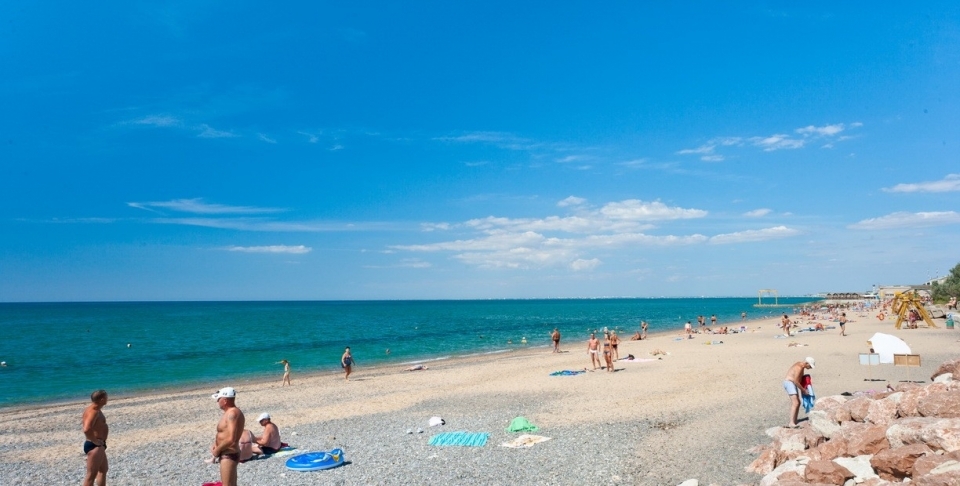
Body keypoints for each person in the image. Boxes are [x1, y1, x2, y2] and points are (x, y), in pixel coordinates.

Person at [210, 387, 245, 486]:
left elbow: (231, 438)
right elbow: (225, 433)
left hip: (229, 454)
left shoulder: (232, 413)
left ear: (225, 400)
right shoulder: (232, 412)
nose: (217, 402)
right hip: (229, 453)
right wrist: (215, 444)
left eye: (218, 399)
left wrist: (217, 450)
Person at [82, 389, 109, 486]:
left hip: (99, 445)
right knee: (91, 476)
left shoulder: (96, 409)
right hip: (95, 446)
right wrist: (95, 441)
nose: (107, 399)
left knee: (103, 470)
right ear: (102, 399)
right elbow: (86, 429)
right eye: (106, 397)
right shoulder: (93, 411)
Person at [783, 357, 815, 428]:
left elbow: (799, 379)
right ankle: (791, 423)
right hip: (789, 383)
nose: (810, 368)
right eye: (810, 366)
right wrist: (804, 390)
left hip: (791, 383)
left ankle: (794, 421)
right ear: (806, 363)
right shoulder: (799, 367)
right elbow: (796, 381)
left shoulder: (801, 366)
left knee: (798, 402)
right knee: (795, 403)